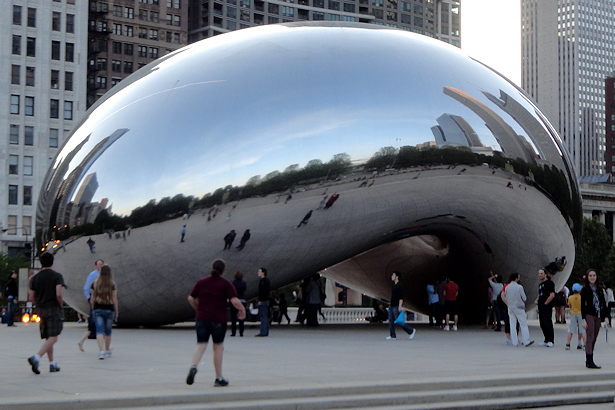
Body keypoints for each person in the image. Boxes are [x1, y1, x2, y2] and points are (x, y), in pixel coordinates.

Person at [186, 259, 246, 386]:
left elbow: (191, 298)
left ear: (212, 268)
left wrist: (198, 309)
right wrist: (242, 309)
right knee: (218, 347)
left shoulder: (201, 282)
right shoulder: (226, 284)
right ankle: (218, 378)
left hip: (202, 318)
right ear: (223, 271)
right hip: (218, 319)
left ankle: (194, 366)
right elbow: (234, 301)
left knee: (201, 344)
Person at [27, 252, 65, 374]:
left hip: (41, 309)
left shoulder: (35, 278)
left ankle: (52, 363)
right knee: (54, 337)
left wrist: (36, 304)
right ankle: (36, 357)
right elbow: (58, 294)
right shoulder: (57, 276)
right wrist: (60, 304)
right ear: (52, 262)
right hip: (53, 308)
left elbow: (31, 296)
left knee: (48, 336)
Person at [91, 265, 119, 360]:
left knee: (99, 331)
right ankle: (107, 349)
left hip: (98, 308)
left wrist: (92, 307)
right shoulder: (112, 284)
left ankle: (101, 351)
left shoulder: (95, 283)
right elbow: (114, 298)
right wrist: (117, 310)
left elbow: (92, 298)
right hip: (109, 309)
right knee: (108, 331)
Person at [581, 269, 607, 369]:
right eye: (590, 275)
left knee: (594, 338)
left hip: (598, 315)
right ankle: (590, 360)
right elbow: (583, 305)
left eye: (594, 275)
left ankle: (589, 358)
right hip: (589, 315)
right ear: (587, 277)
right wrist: (583, 318)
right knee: (590, 337)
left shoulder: (599, 289)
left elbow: (603, 304)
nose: (592, 277)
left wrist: (606, 317)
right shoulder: (585, 290)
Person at [79, 259, 104, 352]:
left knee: (95, 325)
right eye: (99, 264)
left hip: (101, 301)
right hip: (95, 301)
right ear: (95, 266)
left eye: (102, 264)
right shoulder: (93, 275)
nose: (100, 266)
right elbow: (87, 287)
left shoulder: (103, 275)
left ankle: (105, 347)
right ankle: (105, 348)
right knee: (97, 324)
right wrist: (88, 298)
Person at [504, 273, 534, 347]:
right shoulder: (519, 287)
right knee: (523, 324)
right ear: (516, 278)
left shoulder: (507, 287)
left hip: (510, 307)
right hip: (518, 307)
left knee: (512, 324)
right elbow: (524, 298)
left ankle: (514, 342)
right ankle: (526, 340)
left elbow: (506, 297)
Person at [386, 272, 415, 340]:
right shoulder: (393, 285)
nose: (391, 276)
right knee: (390, 321)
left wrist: (400, 306)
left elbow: (401, 297)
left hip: (396, 306)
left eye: (393, 275)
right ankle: (392, 335)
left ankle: (411, 330)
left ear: (397, 277)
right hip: (391, 305)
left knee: (399, 321)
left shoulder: (400, 285)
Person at [536, 268, 555, 347]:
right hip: (540, 305)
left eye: (541, 273)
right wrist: (537, 300)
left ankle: (551, 340)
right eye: (539, 273)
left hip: (546, 306)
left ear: (546, 274)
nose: (540, 275)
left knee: (547, 322)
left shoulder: (549, 283)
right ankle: (546, 339)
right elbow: (540, 294)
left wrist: (546, 303)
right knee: (542, 323)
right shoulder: (540, 285)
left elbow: (552, 294)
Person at [565, 283, 586, 351]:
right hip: (581, 314)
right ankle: (584, 344)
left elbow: (569, 305)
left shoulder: (570, 297)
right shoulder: (582, 297)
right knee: (582, 330)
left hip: (573, 314)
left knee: (571, 330)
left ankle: (568, 344)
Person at [230, 271, 246, 337]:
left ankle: (233, 332)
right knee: (241, 317)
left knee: (233, 317)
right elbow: (244, 290)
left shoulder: (233, 283)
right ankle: (241, 332)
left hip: (234, 300)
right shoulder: (244, 283)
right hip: (242, 300)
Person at [255, 267, 270, 336]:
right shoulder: (266, 281)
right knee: (265, 316)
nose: (258, 273)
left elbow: (262, 292)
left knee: (263, 317)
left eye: (259, 271)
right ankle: (265, 331)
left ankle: (263, 332)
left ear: (263, 273)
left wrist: (260, 300)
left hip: (263, 301)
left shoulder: (263, 281)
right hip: (266, 300)